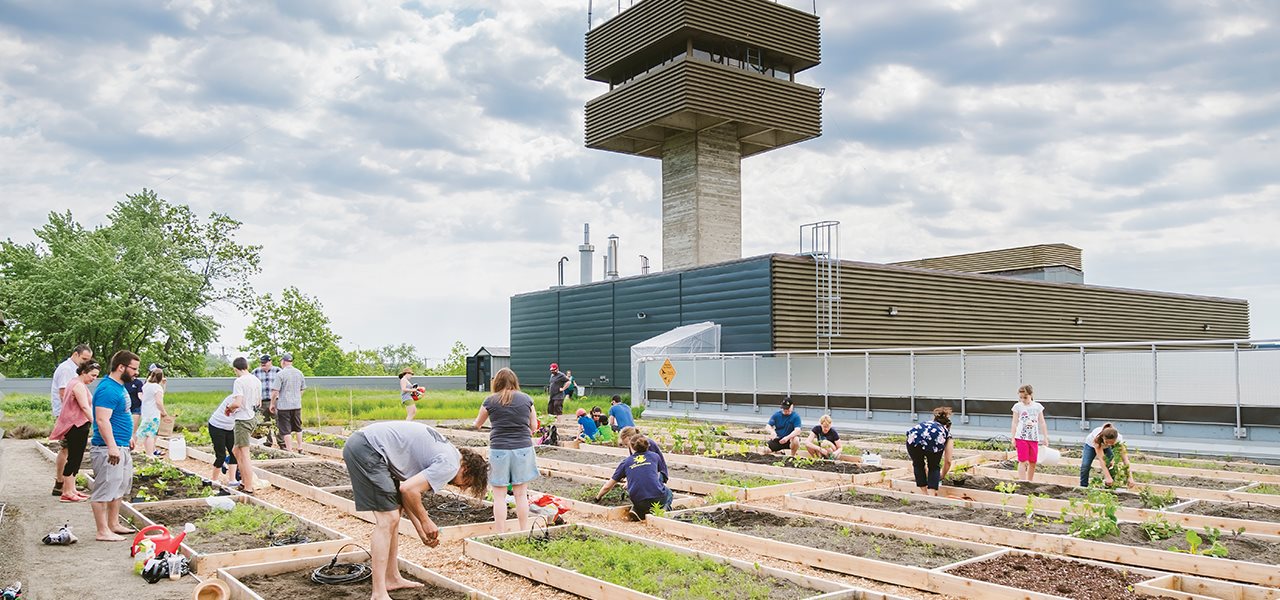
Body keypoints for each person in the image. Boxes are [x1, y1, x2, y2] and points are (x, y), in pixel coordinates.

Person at [341, 421, 488, 600]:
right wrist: (426, 521)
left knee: (394, 513)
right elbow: (408, 490)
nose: (460, 486)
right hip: (367, 449)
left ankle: (392, 578)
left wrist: (421, 531)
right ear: (467, 469)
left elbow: (407, 495)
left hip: (369, 446)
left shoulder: (448, 454)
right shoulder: (450, 465)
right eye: (467, 483)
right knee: (388, 519)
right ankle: (378, 593)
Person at [472, 367, 538, 534]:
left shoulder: (490, 400)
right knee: (521, 495)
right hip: (522, 448)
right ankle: (523, 531)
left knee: (499, 496)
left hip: (499, 449)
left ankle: (500, 533)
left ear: (497, 383)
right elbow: (534, 426)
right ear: (514, 382)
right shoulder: (526, 399)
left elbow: (477, 424)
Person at [90, 350, 141, 541]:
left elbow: (120, 415)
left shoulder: (119, 388)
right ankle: (102, 531)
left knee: (119, 485)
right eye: (134, 369)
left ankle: (113, 524)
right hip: (107, 449)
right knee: (105, 488)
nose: (136, 373)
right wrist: (111, 446)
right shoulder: (108, 389)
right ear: (121, 367)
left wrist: (127, 437)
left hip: (121, 445)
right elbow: (102, 420)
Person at [50, 360, 100, 502]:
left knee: (76, 459)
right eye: (92, 375)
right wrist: (96, 423)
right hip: (76, 426)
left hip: (78, 425)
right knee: (73, 459)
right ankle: (67, 492)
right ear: (83, 372)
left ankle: (72, 489)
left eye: (96, 376)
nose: (94, 378)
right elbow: (85, 407)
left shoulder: (75, 383)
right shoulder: (78, 385)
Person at [594, 436, 672, 521]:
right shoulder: (655, 456)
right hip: (658, 497)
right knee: (669, 493)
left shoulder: (626, 462)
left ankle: (637, 510)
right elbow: (655, 473)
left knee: (640, 498)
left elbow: (608, 486)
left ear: (632, 447)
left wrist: (597, 498)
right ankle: (663, 509)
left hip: (638, 500)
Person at [225, 357, 263, 493]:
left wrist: (228, 408)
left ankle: (248, 486)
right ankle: (243, 481)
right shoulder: (256, 380)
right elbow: (259, 402)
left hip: (243, 419)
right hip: (252, 417)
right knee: (236, 451)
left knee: (244, 454)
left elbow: (237, 403)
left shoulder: (239, 381)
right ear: (246, 366)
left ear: (235, 369)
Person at [905, 407, 955, 496]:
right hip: (934, 440)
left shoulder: (925, 424)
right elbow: (948, 461)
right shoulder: (946, 433)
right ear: (947, 425)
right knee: (934, 467)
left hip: (912, 439)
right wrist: (942, 475)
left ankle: (924, 494)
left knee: (918, 465)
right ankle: (931, 495)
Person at [1010, 384, 1048, 482]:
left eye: (1025, 397)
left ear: (1031, 395)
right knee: (1022, 460)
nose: (1023, 400)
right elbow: (1014, 423)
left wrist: (1045, 437)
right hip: (1021, 437)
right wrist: (1013, 437)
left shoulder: (1037, 407)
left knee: (1033, 462)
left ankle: (1029, 482)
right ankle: (1023, 482)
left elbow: (1042, 422)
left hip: (1033, 438)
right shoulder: (1017, 406)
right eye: (1021, 397)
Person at [270, 353, 307, 451]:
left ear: (283, 361)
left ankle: (289, 449)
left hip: (284, 405)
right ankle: (300, 447)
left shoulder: (280, 374)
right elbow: (303, 388)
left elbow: (275, 391)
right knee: (298, 427)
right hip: (296, 405)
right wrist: (298, 397)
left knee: (286, 429)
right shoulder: (299, 373)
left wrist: (272, 404)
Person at [1080, 423, 1134, 488]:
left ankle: (1108, 486)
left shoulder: (1119, 440)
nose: (1109, 444)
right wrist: (1107, 477)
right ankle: (1083, 486)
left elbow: (1125, 459)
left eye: (1112, 443)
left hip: (1106, 448)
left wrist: (1130, 477)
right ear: (1103, 437)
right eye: (1107, 442)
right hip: (1090, 446)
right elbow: (1102, 459)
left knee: (1110, 464)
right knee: (1085, 465)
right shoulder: (1097, 438)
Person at [207, 393, 239, 486]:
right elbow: (234, 408)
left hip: (230, 428)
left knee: (234, 452)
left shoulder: (247, 401)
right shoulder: (234, 399)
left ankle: (232, 480)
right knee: (221, 455)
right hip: (217, 426)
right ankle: (214, 479)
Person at [136, 368, 168, 456]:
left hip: (146, 412)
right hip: (153, 413)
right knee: (151, 434)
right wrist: (163, 411)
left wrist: (163, 385)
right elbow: (159, 401)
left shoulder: (146, 385)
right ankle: (150, 454)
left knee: (147, 434)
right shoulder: (157, 388)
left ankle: (148, 453)